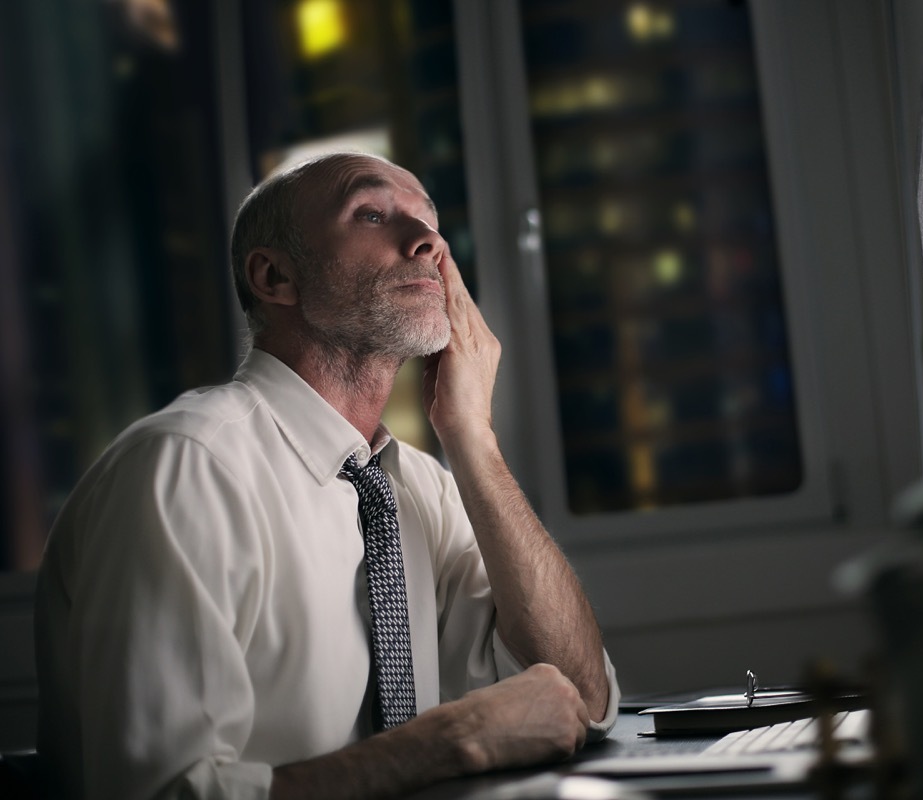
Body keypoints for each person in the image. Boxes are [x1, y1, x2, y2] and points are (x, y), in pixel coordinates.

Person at [34, 151, 620, 799]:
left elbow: (582, 700)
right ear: (275, 275)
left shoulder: (422, 487)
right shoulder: (186, 468)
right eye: (371, 214)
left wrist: (473, 437)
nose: (428, 242)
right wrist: (444, 744)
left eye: (429, 221)